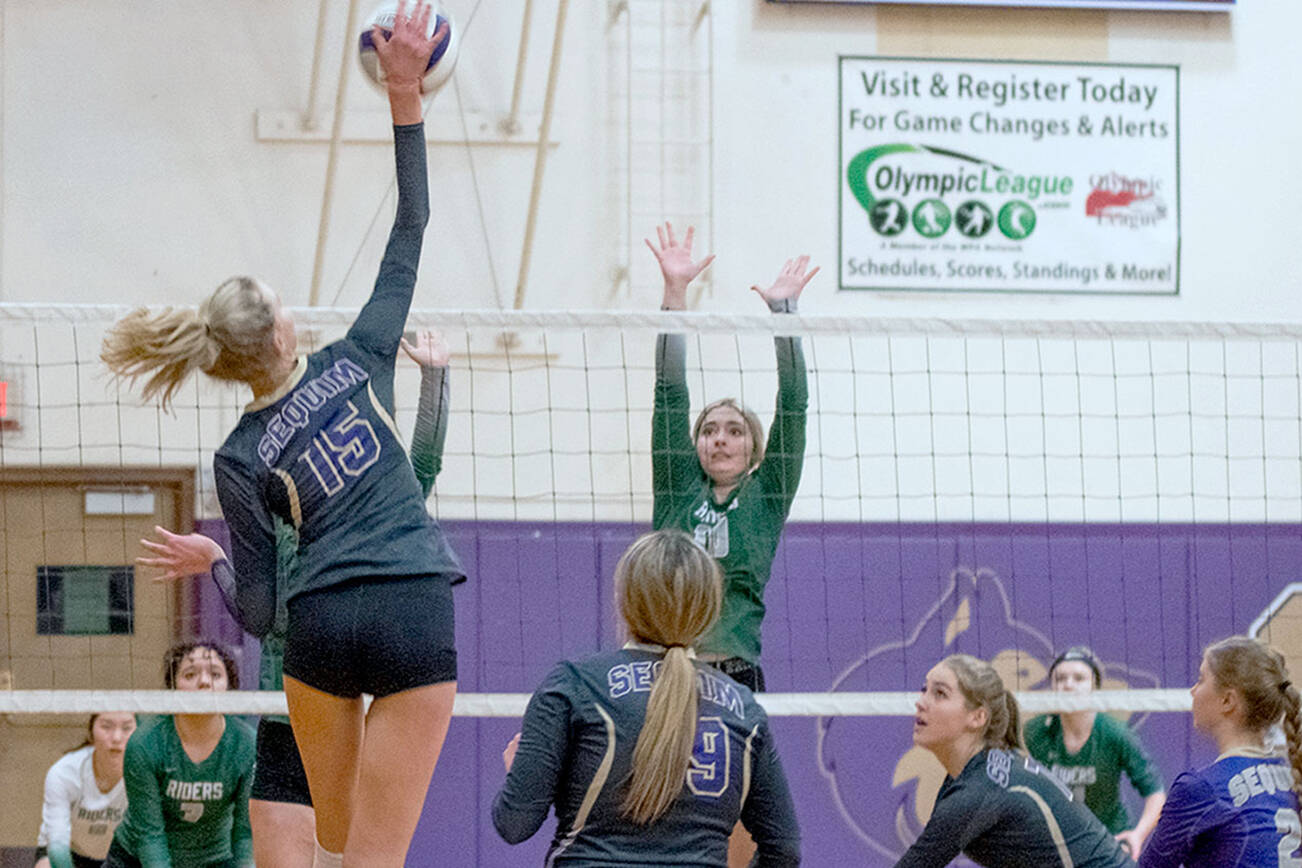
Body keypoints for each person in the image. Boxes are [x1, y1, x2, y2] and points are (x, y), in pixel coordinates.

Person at [100, 7, 460, 866]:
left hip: (322, 625)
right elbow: (412, 223)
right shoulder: (360, 356)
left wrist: (215, 564)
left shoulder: (239, 454)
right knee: (375, 854)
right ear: (282, 333)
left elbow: (261, 616)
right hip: (412, 602)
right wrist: (405, 96)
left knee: (334, 840)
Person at [136, 329, 454, 868]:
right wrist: (216, 560)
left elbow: (422, 462)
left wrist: (435, 377)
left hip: (350, 727)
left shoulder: (376, 509)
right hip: (285, 723)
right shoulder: (271, 520)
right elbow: (262, 617)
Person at [646, 223, 814, 866]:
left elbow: (793, 405)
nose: (720, 438)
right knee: (659, 807)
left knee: (741, 816)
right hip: (668, 674)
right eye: (710, 430)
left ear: (754, 447)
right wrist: (675, 294)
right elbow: (669, 393)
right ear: (694, 445)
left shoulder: (767, 495)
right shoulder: (675, 488)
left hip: (737, 676)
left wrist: (784, 315)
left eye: (735, 430)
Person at [492, 529, 800, 866]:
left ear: (624, 600)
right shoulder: (743, 709)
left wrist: (521, 774)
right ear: (710, 608)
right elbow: (784, 849)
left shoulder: (574, 684)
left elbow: (514, 824)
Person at [896, 653, 1134, 867]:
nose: (921, 702)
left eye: (940, 693)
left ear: (978, 717)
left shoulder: (977, 792)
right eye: (924, 689)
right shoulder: (984, 768)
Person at [1138, 636, 1302, 867]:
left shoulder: (1201, 789)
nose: (1193, 691)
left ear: (1227, 701)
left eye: (1201, 680)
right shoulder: (1295, 776)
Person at [104, 642, 255, 868]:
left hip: (215, 860)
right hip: (136, 858)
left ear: (229, 687)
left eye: (215, 674)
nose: (204, 682)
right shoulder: (145, 743)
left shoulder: (246, 744)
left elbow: (244, 833)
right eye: (190, 674)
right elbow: (150, 835)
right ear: (173, 686)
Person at [1025, 646, 1166, 857]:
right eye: (1060, 679)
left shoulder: (1116, 734)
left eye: (1079, 678)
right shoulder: (1035, 731)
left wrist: (1138, 835)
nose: (1068, 685)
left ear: (1095, 687)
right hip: (1057, 843)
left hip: (1108, 842)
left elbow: (1156, 794)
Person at [33, 713, 137, 868]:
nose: (116, 738)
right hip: (70, 852)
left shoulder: (144, 772)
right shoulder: (64, 772)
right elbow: (57, 848)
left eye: (126, 728)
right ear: (91, 732)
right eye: (106, 727)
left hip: (122, 855)